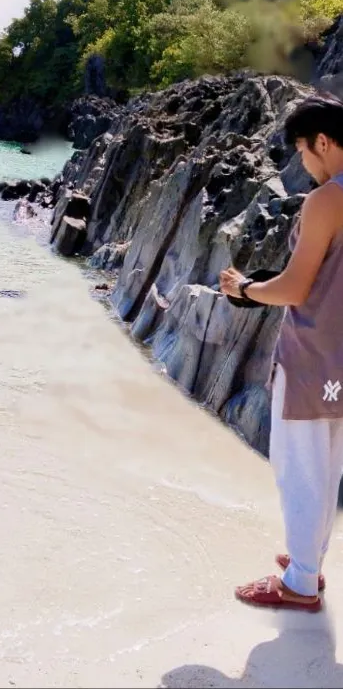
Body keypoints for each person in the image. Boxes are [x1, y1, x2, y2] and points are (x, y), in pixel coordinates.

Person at [220, 95, 343, 612]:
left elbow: (293, 290)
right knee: (327, 464)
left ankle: (299, 582)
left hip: (313, 350)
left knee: (299, 466)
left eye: (302, 150)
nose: (304, 165)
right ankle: (306, 563)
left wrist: (244, 287)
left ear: (322, 141)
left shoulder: (328, 199)